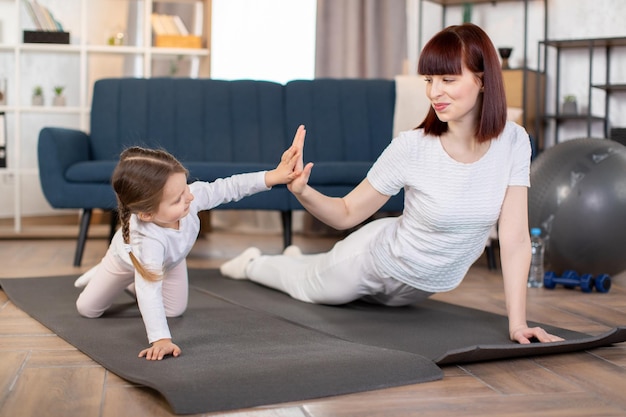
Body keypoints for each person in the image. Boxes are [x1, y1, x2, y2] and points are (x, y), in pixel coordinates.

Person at [220, 23, 564, 345]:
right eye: (429, 80)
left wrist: (517, 324)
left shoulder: (514, 141)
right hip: (371, 263)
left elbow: (516, 237)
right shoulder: (411, 147)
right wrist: (303, 191)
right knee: (305, 287)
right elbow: (346, 212)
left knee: (322, 272)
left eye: (447, 79)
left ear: (484, 79)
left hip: (412, 292)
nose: (434, 92)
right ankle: (254, 262)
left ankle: (302, 258)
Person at [74, 142, 301, 360]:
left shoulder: (189, 198)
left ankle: (132, 279)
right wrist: (161, 339)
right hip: (127, 261)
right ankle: (109, 272)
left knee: (173, 311)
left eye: (186, 187)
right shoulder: (146, 241)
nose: (190, 197)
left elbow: (229, 186)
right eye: (178, 198)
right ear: (147, 215)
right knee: (88, 309)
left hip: (170, 261)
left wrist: (273, 176)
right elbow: (149, 290)